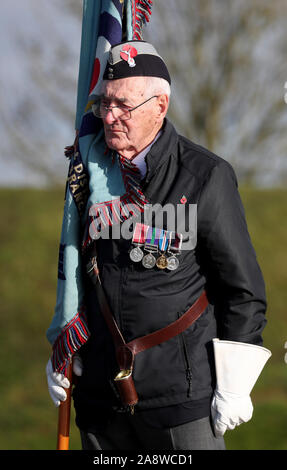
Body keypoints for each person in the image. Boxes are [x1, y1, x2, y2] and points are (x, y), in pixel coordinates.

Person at [46, 40, 271, 451]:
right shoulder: (86, 172)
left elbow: (243, 290)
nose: (109, 117)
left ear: (160, 106)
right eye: (104, 104)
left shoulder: (204, 175)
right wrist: (64, 339)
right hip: (99, 398)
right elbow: (73, 262)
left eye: (123, 106)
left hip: (181, 401)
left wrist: (236, 383)